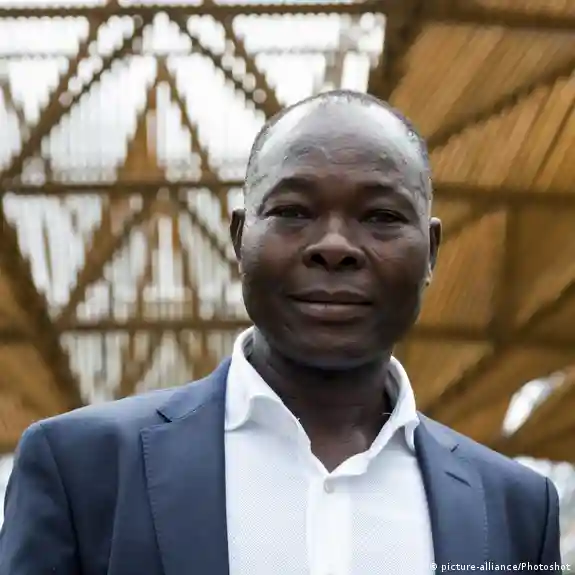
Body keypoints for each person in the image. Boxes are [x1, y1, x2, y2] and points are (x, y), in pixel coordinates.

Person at [0, 90, 563, 575]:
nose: (335, 246)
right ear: (239, 238)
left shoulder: (516, 510)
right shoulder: (82, 470)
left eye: (382, 217)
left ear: (431, 252)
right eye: (293, 211)